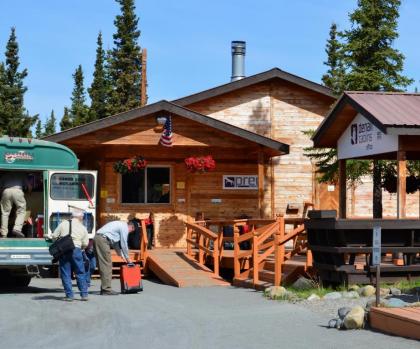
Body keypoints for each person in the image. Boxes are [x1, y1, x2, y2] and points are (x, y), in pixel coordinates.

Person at [52, 211, 89, 301]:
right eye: (82, 218)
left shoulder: (63, 224)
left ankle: (69, 296)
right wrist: (81, 247)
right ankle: (84, 295)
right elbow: (85, 243)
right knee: (80, 272)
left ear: (72, 216)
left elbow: (54, 236)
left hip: (64, 250)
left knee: (65, 273)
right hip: (76, 250)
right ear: (80, 218)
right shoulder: (83, 227)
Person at [94, 220, 135, 295]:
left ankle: (104, 288)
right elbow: (124, 243)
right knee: (107, 265)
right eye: (131, 230)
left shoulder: (119, 225)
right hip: (103, 240)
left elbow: (115, 243)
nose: (129, 232)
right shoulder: (124, 227)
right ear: (131, 226)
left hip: (99, 238)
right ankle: (106, 290)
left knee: (103, 265)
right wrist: (128, 258)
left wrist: (121, 255)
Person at [0, 172, 32, 238]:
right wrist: (29, 193)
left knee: (5, 213)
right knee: (21, 211)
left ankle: (4, 233)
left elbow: (0, 187)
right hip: (18, 191)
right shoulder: (22, 174)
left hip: (6, 191)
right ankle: (17, 229)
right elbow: (29, 187)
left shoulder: (5, 174)